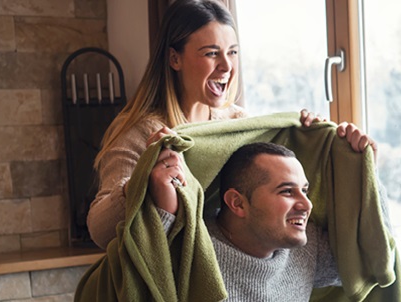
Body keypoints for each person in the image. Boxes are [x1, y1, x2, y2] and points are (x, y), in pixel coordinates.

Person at [88, 0, 374, 249]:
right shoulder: (139, 132)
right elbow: (100, 231)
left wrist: (314, 142)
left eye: (233, 52)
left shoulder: (237, 123)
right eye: (212, 53)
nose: (227, 66)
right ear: (175, 58)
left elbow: (279, 190)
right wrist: (139, 182)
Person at [158, 142, 339, 301]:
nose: (306, 204)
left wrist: (358, 150)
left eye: (304, 191)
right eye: (287, 191)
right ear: (238, 203)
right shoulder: (189, 251)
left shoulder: (307, 247)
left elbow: (363, 263)